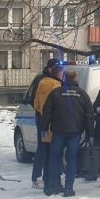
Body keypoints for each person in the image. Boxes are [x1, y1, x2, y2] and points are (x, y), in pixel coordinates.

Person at [41, 69, 94, 197]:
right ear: (76, 78)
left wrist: (44, 127)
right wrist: (89, 133)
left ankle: (52, 187)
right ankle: (69, 188)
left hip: (58, 131)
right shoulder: (82, 94)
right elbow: (89, 115)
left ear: (64, 78)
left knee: (55, 158)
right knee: (71, 159)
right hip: (75, 132)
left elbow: (46, 111)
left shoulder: (55, 93)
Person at [25, 58, 59, 189]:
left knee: (49, 148)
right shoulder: (43, 80)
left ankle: (46, 177)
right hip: (44, 119)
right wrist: (44, 114)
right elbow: (34, 100)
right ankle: (37, 178)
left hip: (47, 118)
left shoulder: (50, 80)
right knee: (43, 148)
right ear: (50, 68)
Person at [33, 63, 63, 192]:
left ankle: (44, 180)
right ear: (58, 74)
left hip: (43, 123)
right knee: (56, 155)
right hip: (57, 124)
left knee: (44, 152)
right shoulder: (58, 87)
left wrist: (43, 115)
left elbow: (36, 104)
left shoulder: (41, 84)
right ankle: (54, 181)